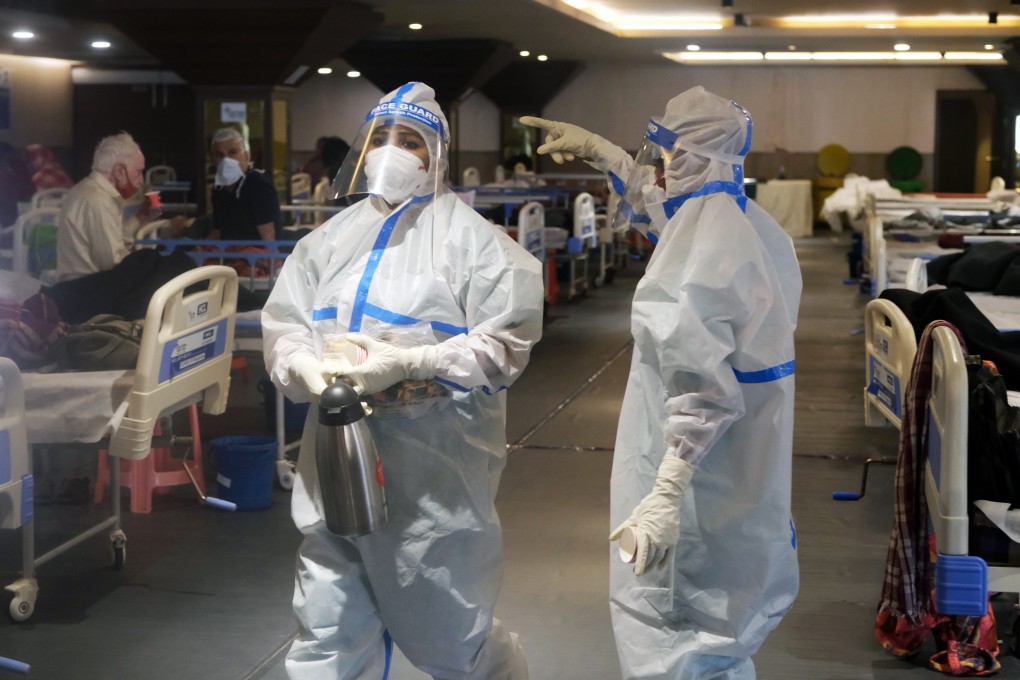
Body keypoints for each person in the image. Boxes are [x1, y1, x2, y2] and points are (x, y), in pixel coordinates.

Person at [262, 82, 543, 680]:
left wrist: (416, 364)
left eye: (409, 139)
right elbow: (285, 325)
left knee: (451, 642)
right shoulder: (326, 243)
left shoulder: (480, 247)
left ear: (436, 153)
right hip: (331, 464)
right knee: (325, 637)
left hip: (432, 482)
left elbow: (504, 346)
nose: (391, 151)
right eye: (380, 137)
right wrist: (299, 365)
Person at [522, 86, 801, 679]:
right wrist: (605, 154)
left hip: (701, 477)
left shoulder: (710, 247)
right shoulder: (731, 219)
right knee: (711, 636)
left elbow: (705, 390)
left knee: (679, 628)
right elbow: (659, 206)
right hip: (729, 471)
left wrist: (666, 493)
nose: (659, 169)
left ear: (698, 159)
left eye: (668, 155)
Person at [55, 132, 162, 282]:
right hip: (87, 289)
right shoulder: (98, 200)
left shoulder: (91, 190)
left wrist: (140, 217)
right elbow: (113, 264)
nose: (141, 180)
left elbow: (113, 243)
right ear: (119, 171)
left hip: (85, 285)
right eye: (138, 172)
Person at [208, 127, 282, 240]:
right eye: (219, 155)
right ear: (213, 160)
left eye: (232, 152)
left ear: (246, 156)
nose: (226, 160)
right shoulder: (219, 189)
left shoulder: (258, 185)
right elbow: (218, 232)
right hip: (227, 254)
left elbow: (269, 237)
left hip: (255, 255)